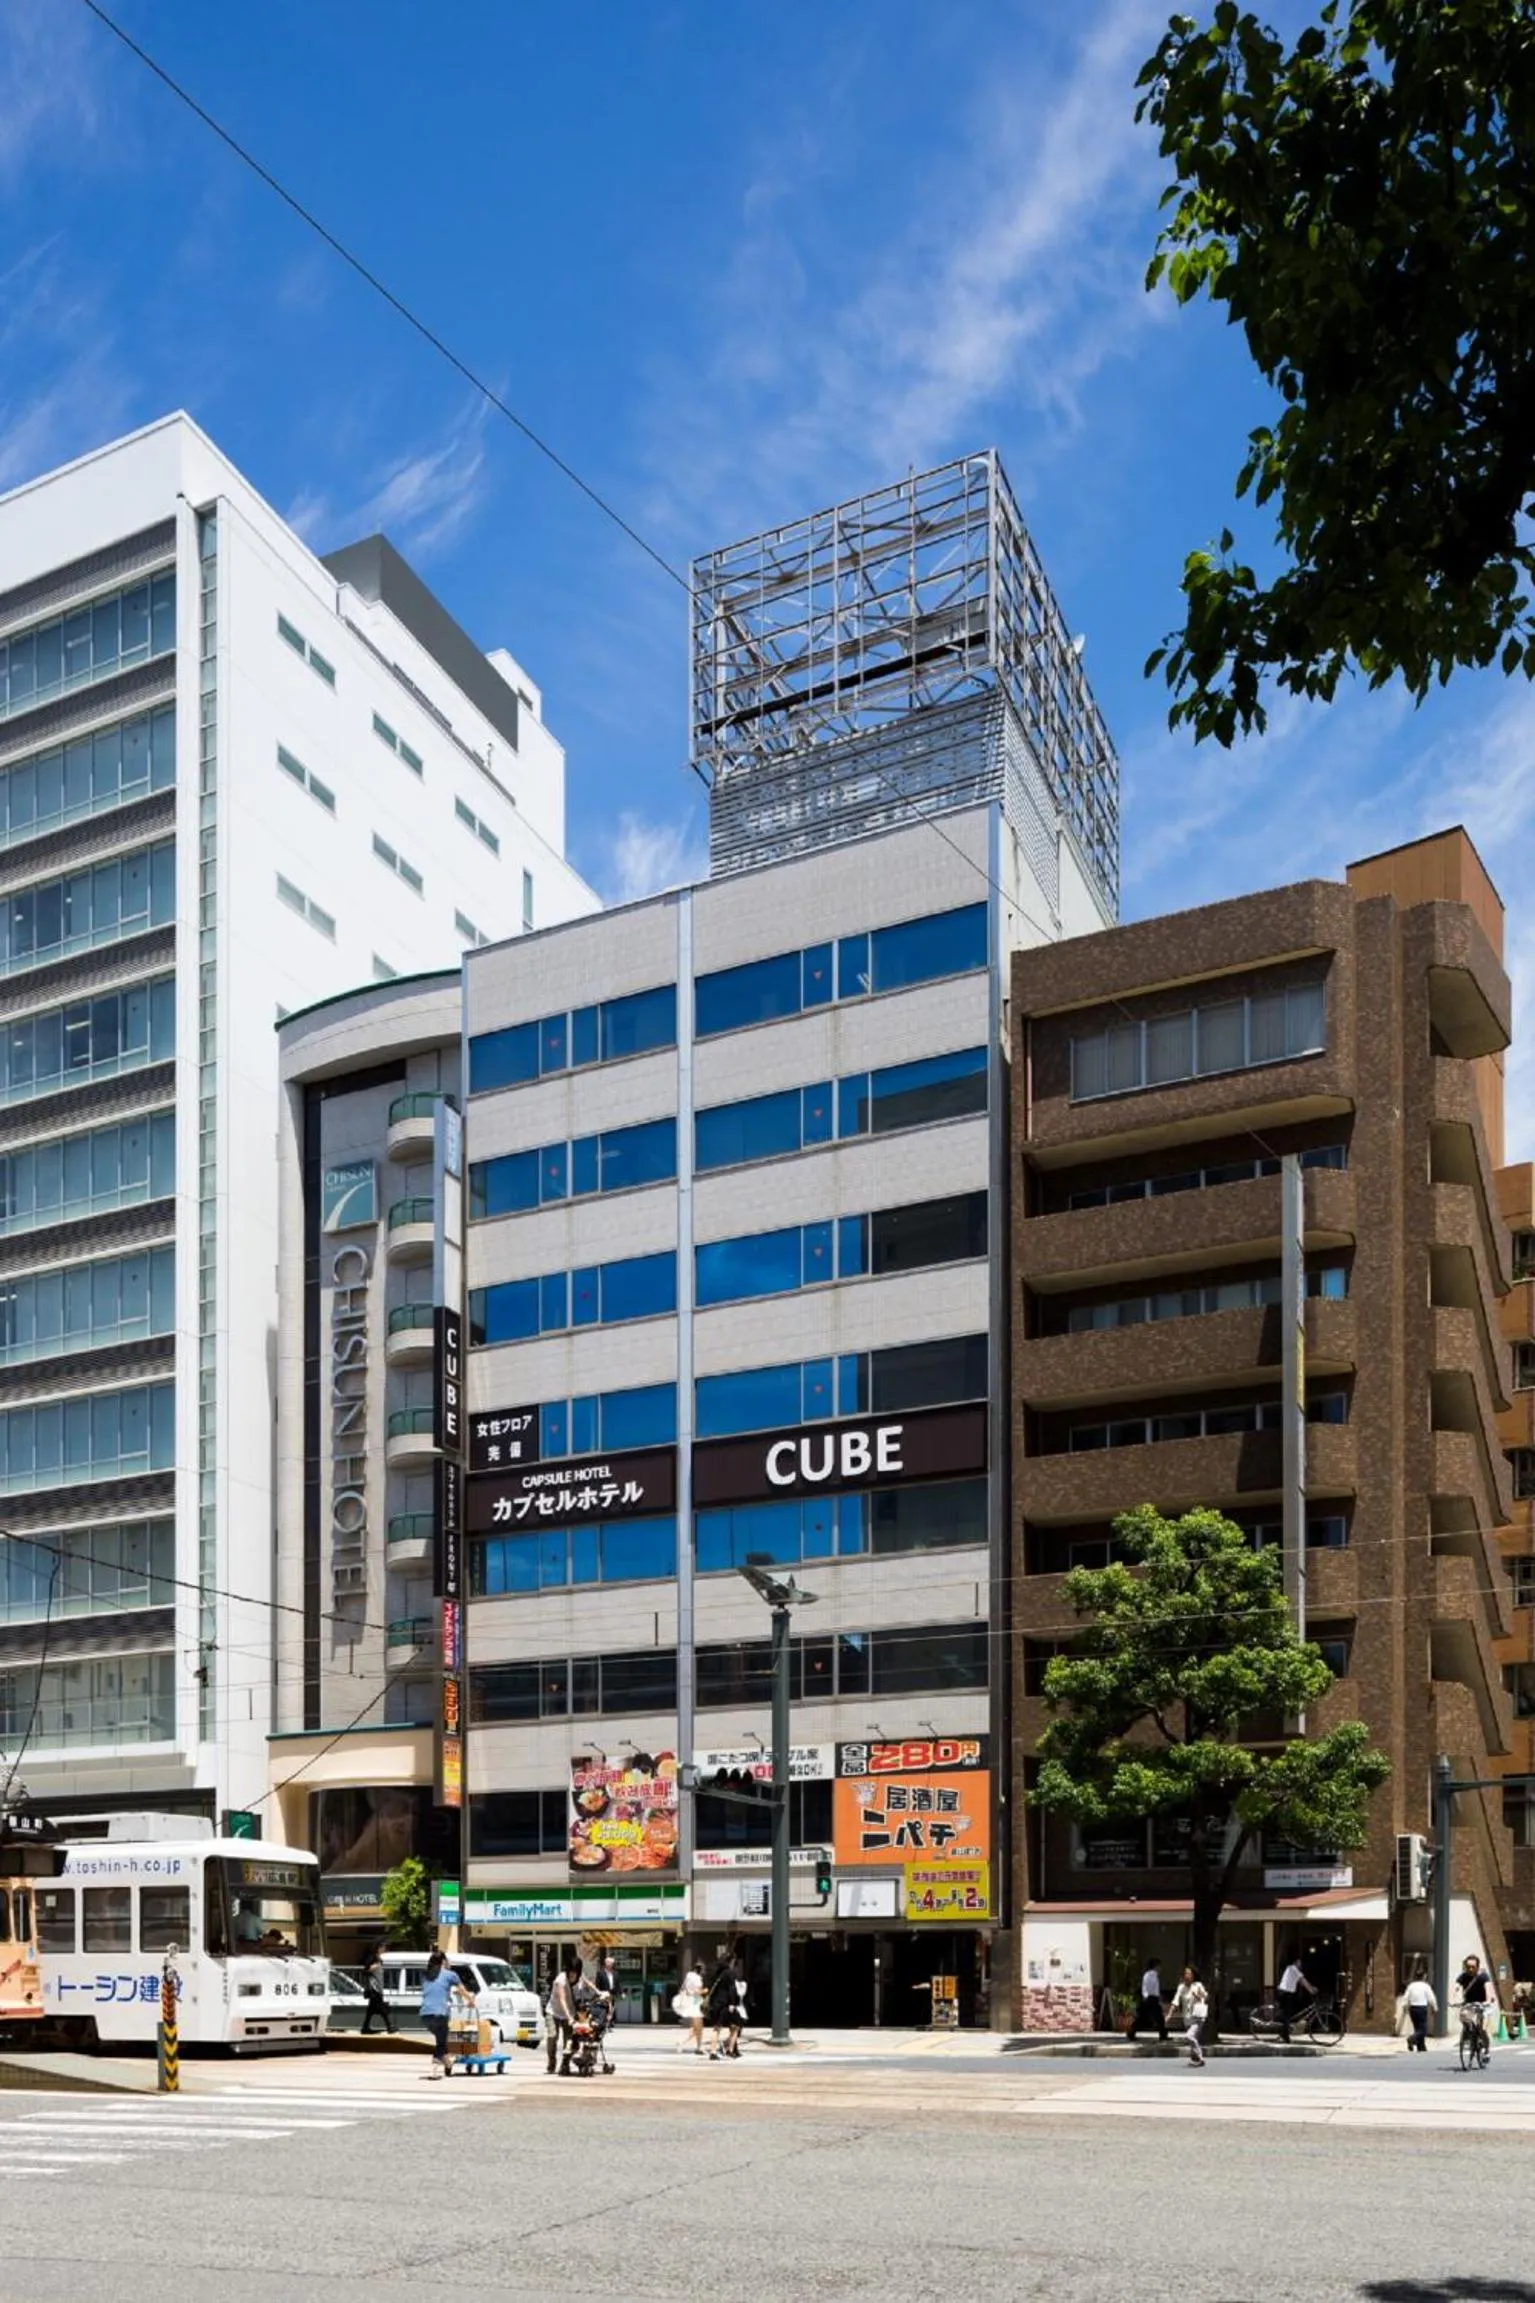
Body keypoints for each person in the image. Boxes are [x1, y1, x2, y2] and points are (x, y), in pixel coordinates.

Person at [419, 1948, 461, 2080]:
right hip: (440, 2014)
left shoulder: (426, 1975)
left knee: (441, 2039)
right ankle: (434, 2070)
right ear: (443, 1961)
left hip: (425, 2015)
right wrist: (471, 2000)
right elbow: (462, 1989)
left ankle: (448, 2064)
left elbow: (434, 1990)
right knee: (441, 2044)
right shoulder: (450, 1974)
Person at [1169, 1966, 1209, 2067]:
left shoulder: (1198, 1985)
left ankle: (1200, 2058)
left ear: (1193, 1976)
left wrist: (1198, 1996)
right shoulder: (1181, 1987)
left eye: (1190, 1974)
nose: (1187, 1976)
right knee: (1193, 2038)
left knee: (1189, 2036)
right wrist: (1169, 2014)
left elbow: (1205, 1996)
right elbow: (1175, 2001)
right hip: (1187, 2018)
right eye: (1186, 1973)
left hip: (1198, 2017)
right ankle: (1194, 2059)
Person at [545, 1958, 578, 2076]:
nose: (573, 1975)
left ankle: (565, 2064)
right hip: (553, 2012)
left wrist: (598, 1992)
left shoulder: (577, 1977)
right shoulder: (560, 1980)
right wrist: (569, 2016)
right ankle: (551, 2062)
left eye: (575, 1972)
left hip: (569, 2013)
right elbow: (562, 1999)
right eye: (571, 1972)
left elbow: (588, 1982)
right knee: (552, 2035)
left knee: (568, 2040)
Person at [1457, 1953, 1495, 2053]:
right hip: (1470, 2004)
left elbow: (1488, 1988)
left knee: (1483, 2029)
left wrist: (1488, 2000)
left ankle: (1486, 2050)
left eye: (1473, 1967)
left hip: (1483, 2004)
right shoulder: (1463, 1976)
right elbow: (1456, 1988)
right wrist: (1453, 1999)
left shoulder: (1483, 1976)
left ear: (1477, 1967)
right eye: (1468, 1967)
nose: (1470, 1969)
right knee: (1464, 2015)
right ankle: (1469, 2034)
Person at [1276, 1952, 1315, 2043]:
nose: (1300, 1964)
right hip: (1285, 1993)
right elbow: (1303, 1981)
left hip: (1286, 1993)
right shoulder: (1293, 1969)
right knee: (1287, 2015)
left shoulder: (1291, 1969)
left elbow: (1301, 1982)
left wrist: (1310, 1987)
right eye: (1299, 1962)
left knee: (1288, 2013)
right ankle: (1285, 2036)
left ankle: (1283, 2034)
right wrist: (1311, 1990)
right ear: (1296, 1962)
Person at [590, 1953, 616, 2075]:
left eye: (611, 1963)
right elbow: (597, 1985)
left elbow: (617, 1985)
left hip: (607, 2002)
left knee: (605, 2016)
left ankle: (609, 2024)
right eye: (608, 1962)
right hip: (600, 1999)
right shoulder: (600, 1973)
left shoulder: (615, 1974)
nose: (610, 1964)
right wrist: (599, 1995)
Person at [705, 1957, 736, 2061]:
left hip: (714, 2003)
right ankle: (728, 2048)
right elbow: (732, 1988)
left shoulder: (715, 1974)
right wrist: (732, 2002)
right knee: (733, 2025)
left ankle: (713, 2051)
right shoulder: (729, 1973)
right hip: (724, 2003)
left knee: (716, 2028)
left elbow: (708, 1988)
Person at [1129, 1958, 1167, 2042]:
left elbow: (1153, 1988)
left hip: (1152, 1998)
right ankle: (1131, 2032)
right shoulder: (1149, 1975)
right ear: (1155, 1966)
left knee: (1157, 2017)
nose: (1161, 1968)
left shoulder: (1153, 1975)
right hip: (1150, 1998)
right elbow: (1145, 1987)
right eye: (1159, 1966)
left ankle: (1163, 2035)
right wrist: (1146, 1996)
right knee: (1150, 2017)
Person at [1401, 1964, 1437, 2051]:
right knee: (1423, 2030)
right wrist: (1435, 2008)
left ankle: (1421, 2047)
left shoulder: (1411, 1986)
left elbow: (1406, 1997)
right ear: (1424, 1976)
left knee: (1417, 2028)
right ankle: (1411, 2039)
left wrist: (1404, 2007)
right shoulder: (1425, 1986)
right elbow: (1431, 1998)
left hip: (1412, 2008)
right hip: (1422, 2008)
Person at [361, 1944, 394, 2036]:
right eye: (382, 1947)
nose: (384, 1949)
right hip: (374, 1988)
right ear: (378, 1948)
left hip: (378, 1987)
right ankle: (390, 2027)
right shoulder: (372, 1958)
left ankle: (365, 2028)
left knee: (371, 2010)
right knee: (382, 2008)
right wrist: (373, 1967)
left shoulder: (378, 1958)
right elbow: (366, 1969)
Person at [674, 1963, 705, 2055]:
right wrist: (705, 1991)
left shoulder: (688, 1976)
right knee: (698, 2027)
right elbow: (698, 1992)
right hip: (696, 2004)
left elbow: (683, 1989)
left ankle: (698, 2046)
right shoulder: (698, 1979)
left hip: (690, 2004)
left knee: (696, 2027)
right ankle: (684, 2043)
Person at [725, 1958, 748, 2060]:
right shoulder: (732, 1982)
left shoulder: (740, 1983)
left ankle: (733, 2048)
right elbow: (736, 1994)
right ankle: (730, 2048)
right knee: (735, 2028)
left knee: (736, 2029)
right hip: (735, 2007)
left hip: (739, 2007)